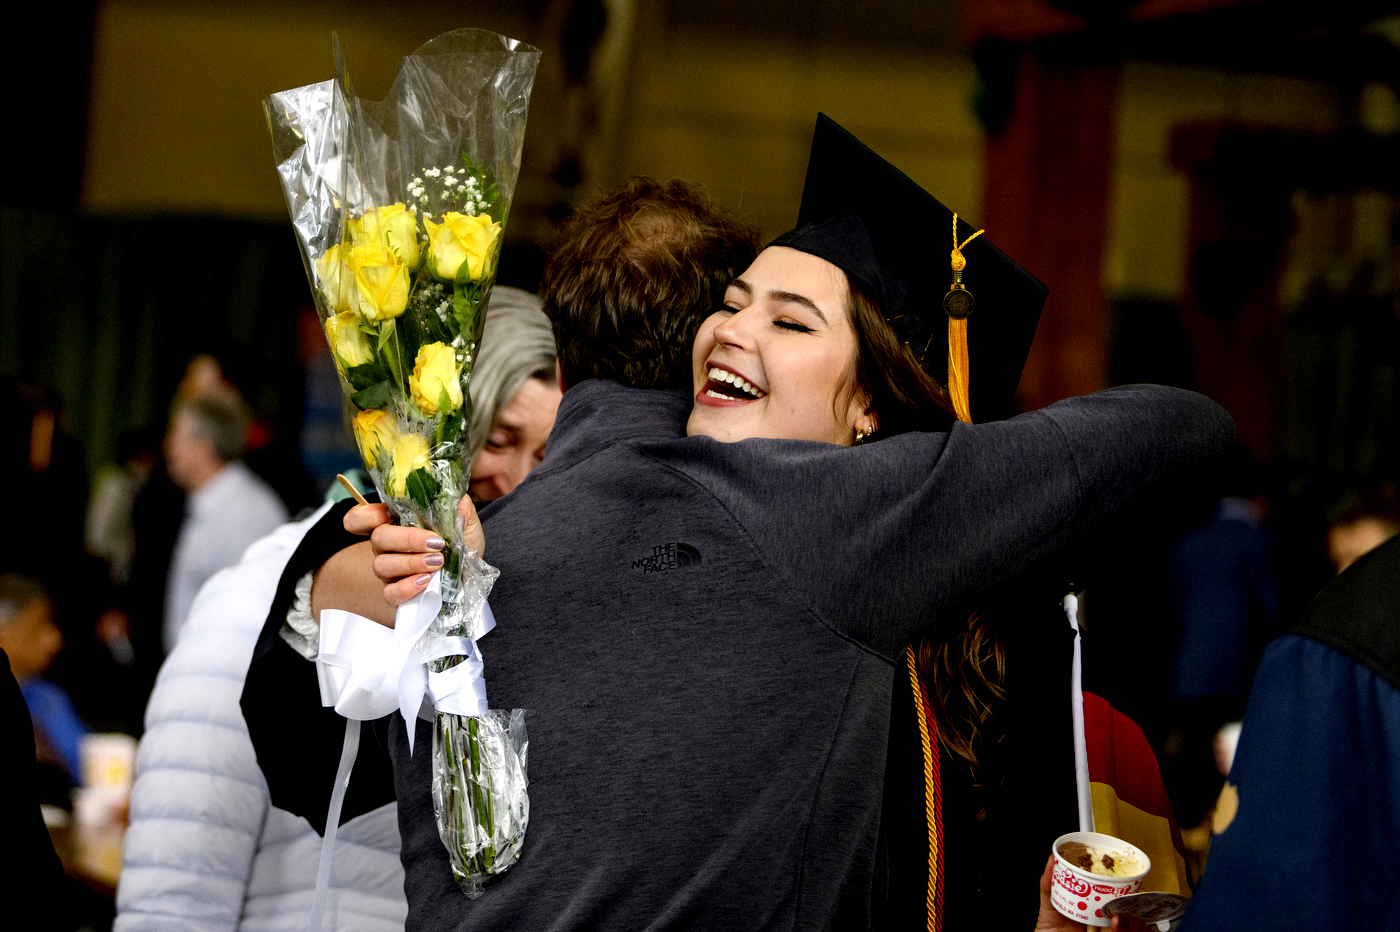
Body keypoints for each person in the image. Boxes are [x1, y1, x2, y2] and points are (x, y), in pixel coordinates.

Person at [244, 128, 1232, 931]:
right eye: (726, 303)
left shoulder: (952, 591)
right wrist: (330, 586)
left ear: (872, 415)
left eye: (791, 322)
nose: (733, 330)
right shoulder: (498, 538)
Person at [116, 289, 561, 932]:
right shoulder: (264, 593)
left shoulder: (531, 610)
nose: (518, 479)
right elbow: (175, 890)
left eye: (549, 456)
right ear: (427, 432)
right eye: (496, 440)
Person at [1173, 532, 1400, 930]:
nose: (1346, 576)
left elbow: (1271, 897)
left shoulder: (1341, 649)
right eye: (1339, 561)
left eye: (1361, 558)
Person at [163, 393, 288, 651]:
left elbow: (250, 616)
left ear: (204, 447)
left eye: (176, 436)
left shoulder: (245, 513)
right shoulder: (215, 501)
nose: (168, 447)